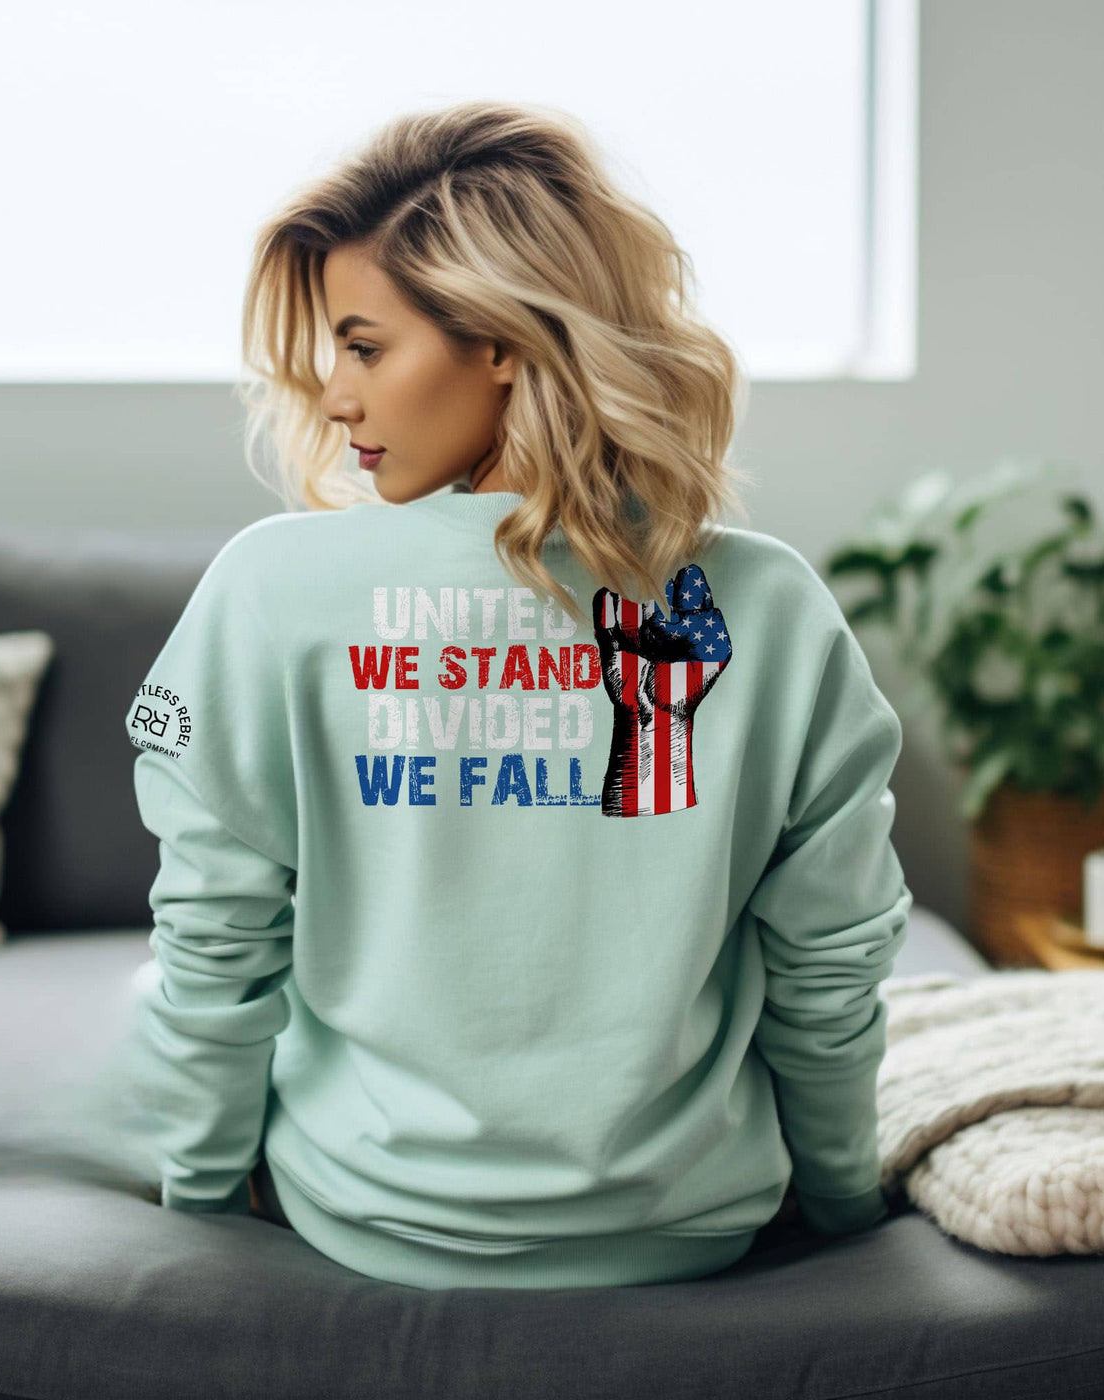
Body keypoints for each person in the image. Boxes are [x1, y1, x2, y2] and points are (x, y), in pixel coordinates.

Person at [120, 98, 913, 1290]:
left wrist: (198, 1189)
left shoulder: (267, 587)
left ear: (498, 340)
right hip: (690, 1221)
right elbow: (828, 965)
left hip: (367, 1215)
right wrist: (847, 1201)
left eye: (365, 346)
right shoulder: (772, 604)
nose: (335, 398)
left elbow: (212, 944)